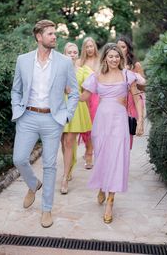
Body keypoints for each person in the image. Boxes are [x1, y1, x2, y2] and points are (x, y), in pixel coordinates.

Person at [11, 20, 79, 228]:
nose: (54, 37)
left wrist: (66, 115)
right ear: (39, 37)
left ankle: (46, 210)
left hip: (53, 119)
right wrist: (17, 109)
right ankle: (33, 184)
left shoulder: (64, 62)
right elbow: (16, 89)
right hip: (27, 117)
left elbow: (74, 92)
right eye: (49, 34)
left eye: (54, 33)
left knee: (50, 165)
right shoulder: (23, 60)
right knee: (19, 159)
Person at [80, 43, 144, 224]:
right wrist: (66, 91)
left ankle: (110, 201)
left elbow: (137, 97)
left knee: (117, 158)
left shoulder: (127, 75)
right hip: (101, 122)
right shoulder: (97, 76)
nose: (114, 59)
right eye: (111, 56)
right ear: (105, 58)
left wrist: (140, 121)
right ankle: (101, 185)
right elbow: (84, 96)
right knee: (102, 157)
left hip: (119, 122)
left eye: (117, 56)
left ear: (121, 58)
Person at [60, 42, 92, 194]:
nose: (72, 54)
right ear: (64, 54)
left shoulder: (83, 71)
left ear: (78, 54)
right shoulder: (58, 71)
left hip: (76, 109)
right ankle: (70, 165)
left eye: (75, 52)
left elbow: (89, 90)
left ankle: (65, 177)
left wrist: (78, 96)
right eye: (69, 52)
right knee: (63, 142)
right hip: (60, 108)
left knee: (69, 141)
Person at [116, 36, 146, 149]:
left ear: (128, 49)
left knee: (128, 136)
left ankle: (124, 161)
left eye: (123, 47)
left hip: (132, 101)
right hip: (117, 101)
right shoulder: (112, 64)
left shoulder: (135, 65)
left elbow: (143, 88)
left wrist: (136, 80)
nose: (120, 49)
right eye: (118, 46)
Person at [76, 37, 100, 169]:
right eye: (87, 46)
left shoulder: (100, 61)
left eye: (91, 46)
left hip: (97, 98)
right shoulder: (80, 62)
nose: (90, 49)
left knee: (96, 126)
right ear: (84, 48)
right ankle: (88, 151)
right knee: (86, 126)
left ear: (95, 47)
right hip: (84, 98)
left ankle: (93, 152)